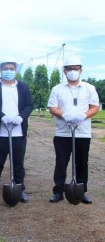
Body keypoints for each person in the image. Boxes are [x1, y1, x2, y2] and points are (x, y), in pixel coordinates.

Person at [47, 56, 99, 204]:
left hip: (82, 132)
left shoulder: (89, 88)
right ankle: (58, 192)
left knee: (82, 162)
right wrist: (64, 114)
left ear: (80, 70)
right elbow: (52, 107)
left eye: (75, 69)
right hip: (63, 132)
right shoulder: (57, 89)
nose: (72, 71)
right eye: (69, 69)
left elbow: (95, 107)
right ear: (64, 71)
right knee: (61, 162)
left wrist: (83, 115)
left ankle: (81, 192)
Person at [0, 57, 34, 203]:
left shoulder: (23, 87)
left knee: (18, 163)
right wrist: (2, 116)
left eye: (12, 69)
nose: (9, 71)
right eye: (6, 69)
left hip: (18, 132)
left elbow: (29, 105)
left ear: (15, 70)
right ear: (1, 70)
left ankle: (20, 189)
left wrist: (21, 117)